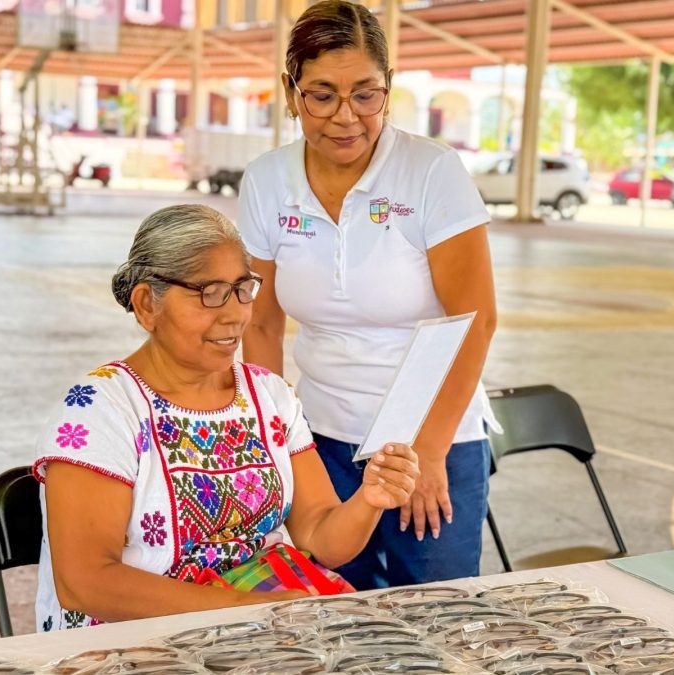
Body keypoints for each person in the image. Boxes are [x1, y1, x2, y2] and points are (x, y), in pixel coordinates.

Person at [33, 204, 420, 631]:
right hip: (130, 642)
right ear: (147, 304)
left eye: (241, 289)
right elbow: (85, 582)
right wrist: (242, 608)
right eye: (209, 292)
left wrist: (369, 499)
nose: (235, 312)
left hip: (254, 626)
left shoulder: (269, 397)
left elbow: (322, 538)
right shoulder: (102, 410)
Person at [238, 0, 497, 590]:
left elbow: (474, 322)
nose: (345, 117)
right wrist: (275, 442)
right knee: (330, 614)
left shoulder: (431, 172)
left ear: (389, 88)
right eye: (322, 94)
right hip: (320, 435)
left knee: (437, 616)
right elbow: (261, 326)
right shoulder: (268, 180)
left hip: (433, 436)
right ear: (290, 91)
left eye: (365, 94)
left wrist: (428, 452)